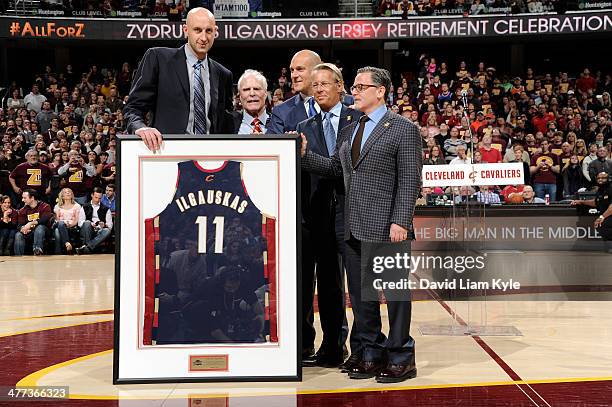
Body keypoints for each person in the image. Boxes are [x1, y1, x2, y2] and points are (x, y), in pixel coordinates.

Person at [301, 67, 422, 383]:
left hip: (388, 226)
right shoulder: (352, 127)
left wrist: (401, 220)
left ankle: (401, 356)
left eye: (360, 86)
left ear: (380, 91)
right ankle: (371, 351)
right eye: (354, 86)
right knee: (361, 297)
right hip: (353, 226)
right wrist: (303, 154)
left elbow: (410, 179)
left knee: (394, 296)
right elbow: (334, 168)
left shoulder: (402, 128)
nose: (354, 91)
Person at [295, 63, 362, 368]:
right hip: (319, 215)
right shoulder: (304, 129)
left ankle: (363, 347)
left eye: (325, 83)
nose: (319, 89)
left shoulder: (358, 120)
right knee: (329, 285)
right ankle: (333, 347)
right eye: (315, 85)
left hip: (352, 212)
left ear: (340, 86)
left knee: (360, 286)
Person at [124, 7, 233, 151]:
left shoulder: (223, 74)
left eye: (208, 31)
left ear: (215, 31)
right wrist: (140, 128)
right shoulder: (158, 59)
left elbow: (225, 122)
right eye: (197, 30)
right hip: (167, 152)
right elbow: (133, 108)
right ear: (186, 30)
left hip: (208, 155)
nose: (204, 38)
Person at [266, 50, 322, 134]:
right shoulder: (281, 111)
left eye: (300, 69)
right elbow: (272, 145)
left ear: (316, 71)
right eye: (292, 70)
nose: (294, 75)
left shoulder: (344, 104)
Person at [571, 172, 612, 240]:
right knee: (601, 226)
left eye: (603, 178)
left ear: (608, 179)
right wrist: (581, 201)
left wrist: (601, 217)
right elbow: (596, 202)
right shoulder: (600, 189)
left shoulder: (610, 188)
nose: (600, 180)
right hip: (608, 216)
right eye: (598, 178)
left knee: (603, 225)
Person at [227, 70, 270, 134]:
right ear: (240, 96)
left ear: (265, 94)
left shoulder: (279, 122)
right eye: (246, 89)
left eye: (256, 89)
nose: (252, 93)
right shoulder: (227, 124)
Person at [14, 189, 54, 256]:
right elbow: (19, 225)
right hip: (30, 233)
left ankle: (37, 251)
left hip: (44, 232)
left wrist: (31, 223)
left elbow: (44, 220)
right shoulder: (22, 210)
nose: (22, 200)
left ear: (32, 198)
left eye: (24, 198)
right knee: (18, 234)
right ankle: (19, 257)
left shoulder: (45, 206)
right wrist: (22, 229)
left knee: (40, 227)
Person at [76, 187, 113, 254]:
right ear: (92, 195)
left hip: (99, 231)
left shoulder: (106, 209)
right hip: (87, 230)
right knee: (87, 223)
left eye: (99, 198)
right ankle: (89, 248)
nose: (97, 200)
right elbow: (80, 223)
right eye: (96, 197)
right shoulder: (84, 207)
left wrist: (104, 225)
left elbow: (110, 226)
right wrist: (90, 224)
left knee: (107, 230)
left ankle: (86, 247)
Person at [53, 188, 82, 254]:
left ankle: (58, 252)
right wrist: (63, 224)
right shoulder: (57, 206)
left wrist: (70, 225)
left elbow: (77, 220)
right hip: (60, 225)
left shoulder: (77, 206)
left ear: (72, 195)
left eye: (69, 192)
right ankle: (67, 244)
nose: (68, 193)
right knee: (60, 225)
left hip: (72, 227)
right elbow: (57, 219)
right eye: (66, 192)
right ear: (62, 196)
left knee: (57, 231)